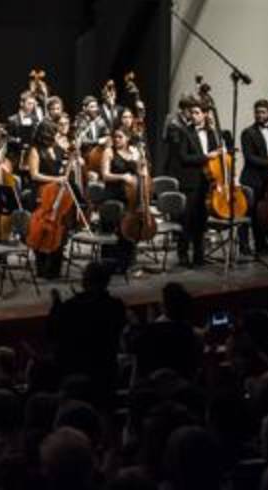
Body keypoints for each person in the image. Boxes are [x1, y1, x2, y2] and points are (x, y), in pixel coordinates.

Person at [47, 262, 126, 400]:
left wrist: (56, 306)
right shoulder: (116, 306)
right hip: (106, 371)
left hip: (76, 372)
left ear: (85, 282)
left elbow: (52, 332)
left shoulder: (71, 307)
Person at [166, 98, 216, 268]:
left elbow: (220, 151)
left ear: (205, 115)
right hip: (191, 181)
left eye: (197, 113)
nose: (193, 116)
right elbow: (184, 157)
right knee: (187, 220)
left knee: (202, 220)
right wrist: (206, 157)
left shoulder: (212, 133)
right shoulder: (184, 132)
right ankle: (182, 254)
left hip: (208, 182)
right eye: (192, 113)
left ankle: (199, 255)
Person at [130, 282, 202, 382]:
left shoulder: (149, 333)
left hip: (155, 389)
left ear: (163, 306)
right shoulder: (193, 334)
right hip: (184, 389)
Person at [239, 99, 268, 255]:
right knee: (248, 213)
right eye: (257, 112)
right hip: (251, 179)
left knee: (260, 215)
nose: (259, 115)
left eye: (263, 112)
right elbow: (250, 157)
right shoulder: (248, 133)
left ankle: (262, 245)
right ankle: (244, 246)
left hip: (267, 179)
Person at [27, 121, 71, 279]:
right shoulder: (35, 150)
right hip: (41, 192)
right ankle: (41, 267)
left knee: (59, 229)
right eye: (51, 133)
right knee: (41, 229)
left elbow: (65, 168)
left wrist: (72, 158)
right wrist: (56, 179)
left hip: (58, 193)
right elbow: (34, 174)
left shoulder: (58, 148)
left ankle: (55, 268)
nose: (53, 136)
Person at [100, 127, 141, 274]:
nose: (117, 140)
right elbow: (105, 175)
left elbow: (140, 172)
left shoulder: (133, 152)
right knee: (114, 230)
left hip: (130, 197)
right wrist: (122, 176)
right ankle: (110, 265)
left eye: (120, 137)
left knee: (129, 230)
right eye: (115, 137)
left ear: (128, 138)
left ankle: (128, 263)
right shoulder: (109, 152)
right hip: (112, 195)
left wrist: (137, 159)